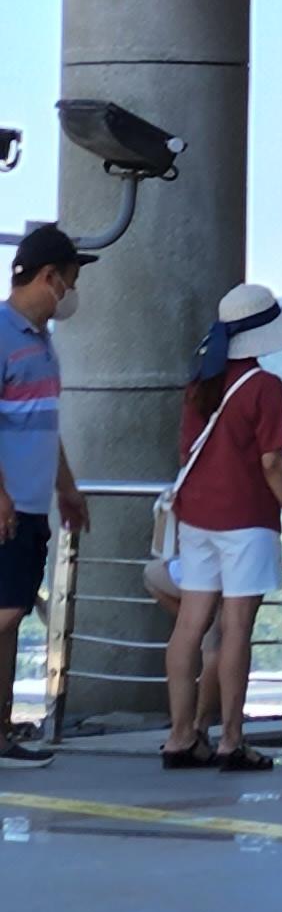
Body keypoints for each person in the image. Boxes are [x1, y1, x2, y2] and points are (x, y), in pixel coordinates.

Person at [159, 281, 282, 774]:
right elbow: (272, 462)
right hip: (247, 519)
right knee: (236, 630)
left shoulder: (200, 383)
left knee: (190, 626)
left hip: (196, 516)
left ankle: (180, 736)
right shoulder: (264, 386)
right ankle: (231, 739)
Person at [1, 228, 97, 764]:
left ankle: (0, 728)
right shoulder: (2, 334)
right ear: (49, 277)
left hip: (33, 504)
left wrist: (66, 487)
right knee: (6, 612)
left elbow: (42, 423)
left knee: (10, 614)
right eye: (71, 279)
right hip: (9, 506)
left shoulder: (41, 341)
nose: (73, 291)